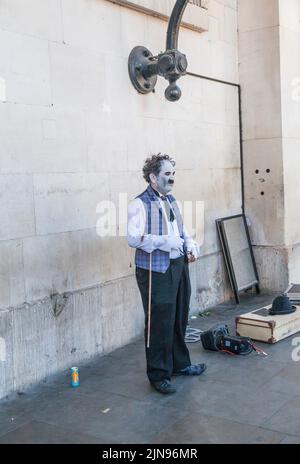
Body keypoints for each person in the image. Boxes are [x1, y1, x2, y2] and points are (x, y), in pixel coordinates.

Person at [127, 153, 207, 394]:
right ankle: (159, 374)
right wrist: (165, 242)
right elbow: (133, 238)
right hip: (155, 271)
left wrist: (190, 243)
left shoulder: (172, 200)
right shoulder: (138, 204)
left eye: (173, 174)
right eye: (166, 174)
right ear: (153, 177)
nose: (171, 178)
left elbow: (180, 232)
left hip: (178, 266)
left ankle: (180, 365)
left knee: (179, 315)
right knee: (159, 322)